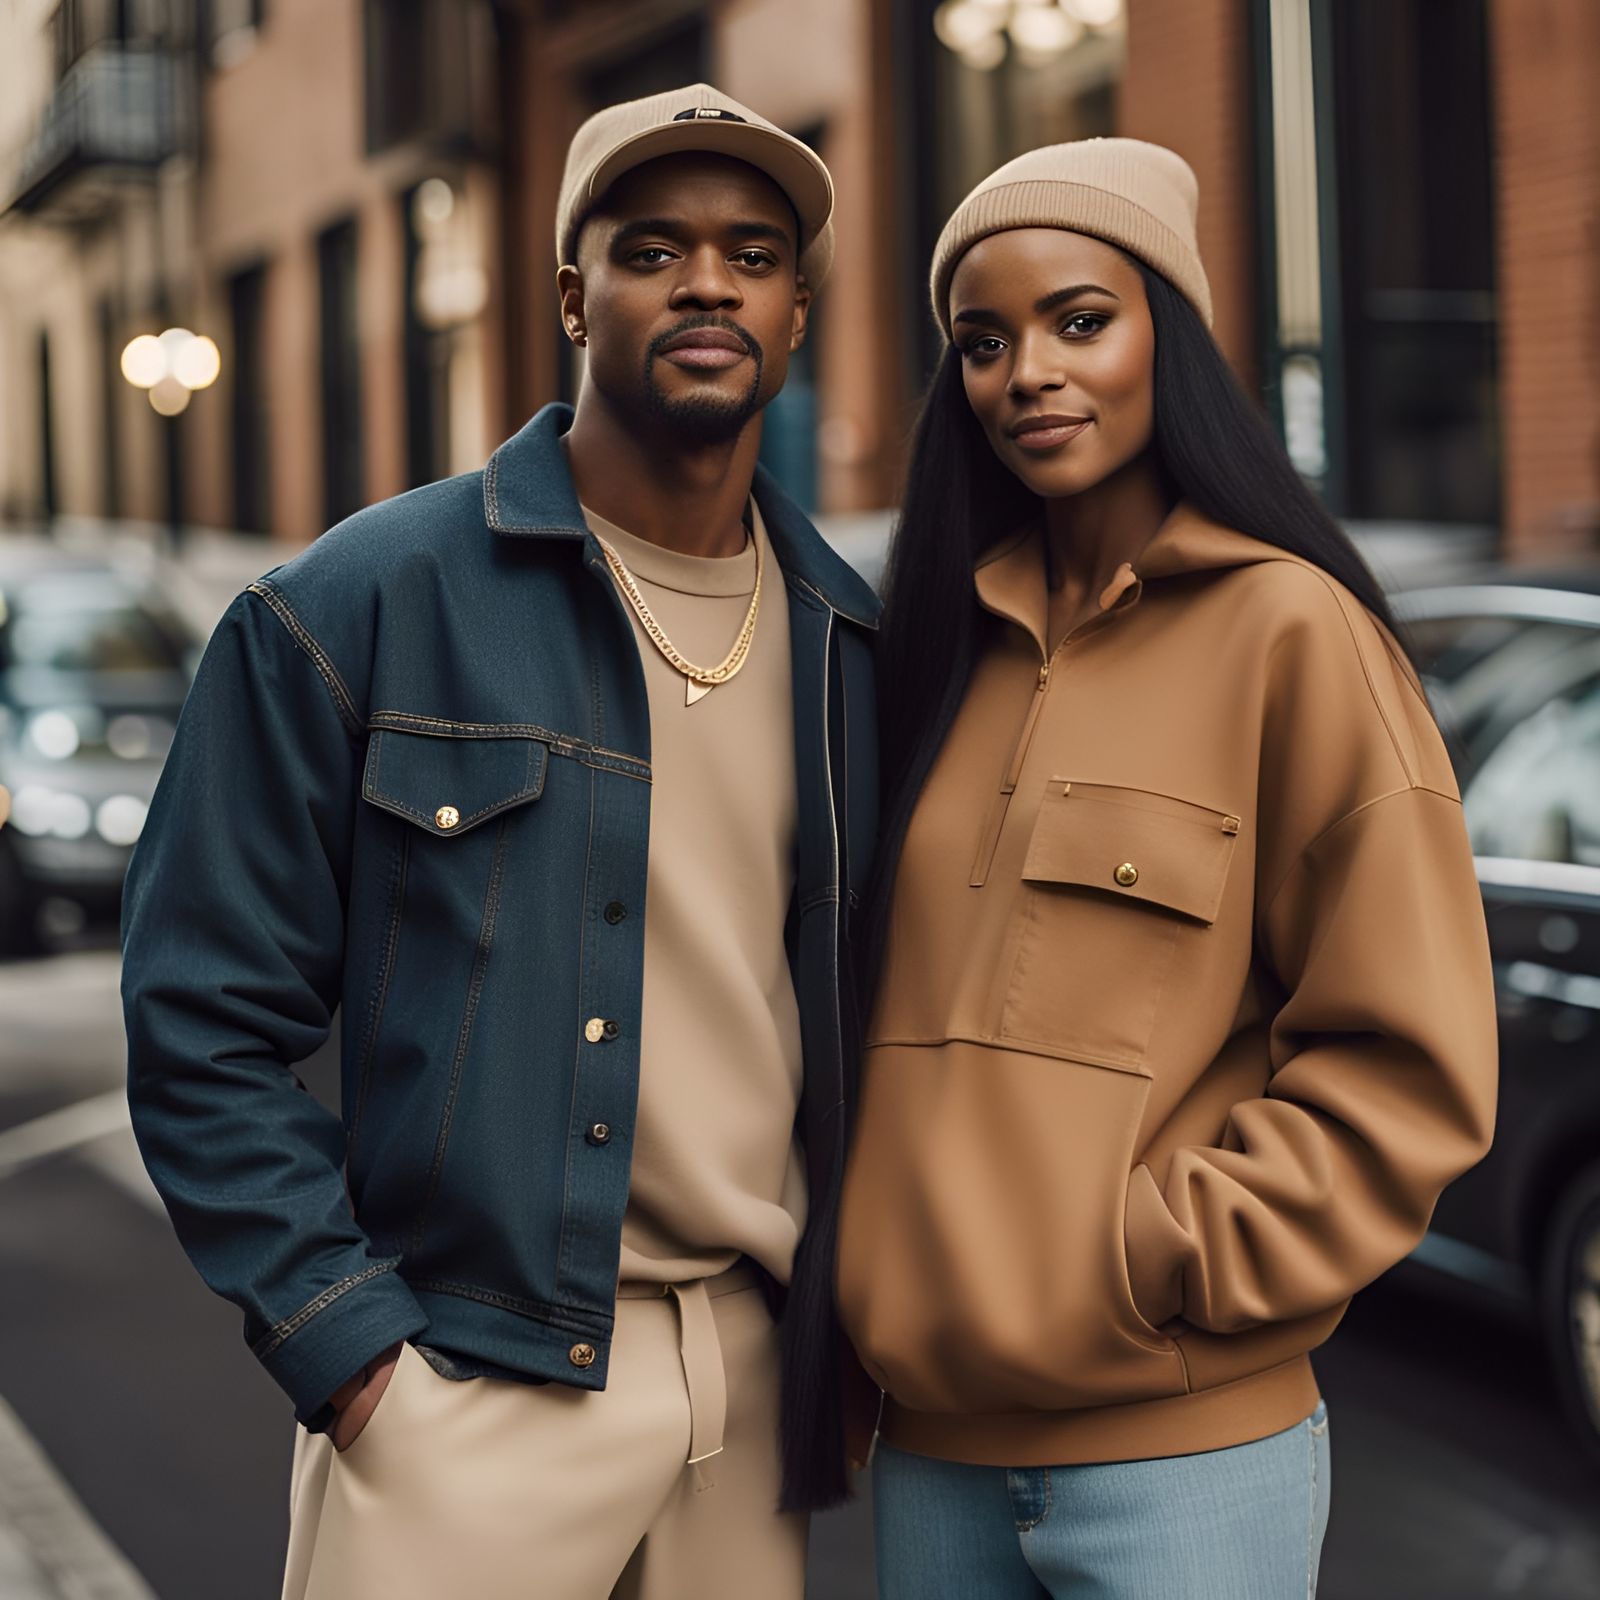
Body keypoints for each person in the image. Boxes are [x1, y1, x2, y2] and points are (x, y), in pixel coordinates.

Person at [121, 84, 879, 1600]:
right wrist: (351, 1356)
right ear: (571, 296)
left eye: (754, 253)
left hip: (746, 1383)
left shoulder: (852, 642)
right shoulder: (356, 605)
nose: (710, 283)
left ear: (799, 311)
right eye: (654, 248)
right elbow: (199, 1011)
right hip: (467, 1386)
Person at [836, 139, 1498, 1599]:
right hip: (931, 1460)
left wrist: (1158, 1263)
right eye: (986, 342)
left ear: (1171, 339)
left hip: (1184, 1466)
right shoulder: (929, 652)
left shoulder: (1293, 635)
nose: (1029, 374)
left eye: (1082, 320)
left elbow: (1411, 1063)